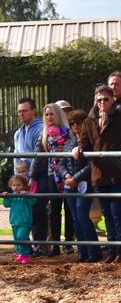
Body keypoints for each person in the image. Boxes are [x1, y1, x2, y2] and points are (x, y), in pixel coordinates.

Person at [74, 84, 121, 264]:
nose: (102, 102)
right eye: (99, 100)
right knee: (106, 213)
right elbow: (85, 142)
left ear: (112, 100)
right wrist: (78, 148)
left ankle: (119, 251)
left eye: (106, 99)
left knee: (117, 213)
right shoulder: (89, 121)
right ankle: (112, 251)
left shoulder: (119, 117)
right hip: (99, 174)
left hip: (117, 172)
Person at [59, 110, 103, 263]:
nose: (75, 125)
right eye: (72, 123)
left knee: (83, 217)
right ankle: (82, 251)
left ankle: (95, 251)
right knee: (76, 219)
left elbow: (91, 165)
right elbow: (61, 163)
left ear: (85, 123)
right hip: (70, 184)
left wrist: (75, 179)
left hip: (84, 184)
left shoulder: (90, 143)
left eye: (78, 122)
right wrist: (67, 176)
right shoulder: (68, 143)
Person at [40, 103, 75, 256]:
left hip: (67, 173)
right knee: (54, 210)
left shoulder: (68, 132)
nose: (49, 117)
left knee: (69, 208)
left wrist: (65, 149)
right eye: (47, 114)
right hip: (52, 175)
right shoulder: (44, 133)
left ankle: (68, 243)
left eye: (52, 114)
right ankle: (55, 244)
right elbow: (39, 154)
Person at [13, 97, 46, 256]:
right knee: (26, 211)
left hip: (39, 176)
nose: (21, 114)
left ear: (34, 111)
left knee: (39, 209)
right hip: (23, 179)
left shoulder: (41, 128)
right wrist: (17, 179)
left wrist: (31, 176)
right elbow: (16, 156)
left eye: (24, 111)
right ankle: (26, 248)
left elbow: (39, 156)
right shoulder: (18, 133)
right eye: (19, 111)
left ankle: (41, 245)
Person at [3, 174, 37, 264]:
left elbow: (33, 202)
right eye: (14, 185)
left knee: (21, 237)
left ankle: (25, 254)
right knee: (16, 239)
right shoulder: (12, 196)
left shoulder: (26, 195)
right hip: (14, 221)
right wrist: (5, 197)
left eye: (18, 185)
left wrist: (27, 195)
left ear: (24, 186)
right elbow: (6, 205)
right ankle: (19, 253)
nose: (16, 187)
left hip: (25, 221)